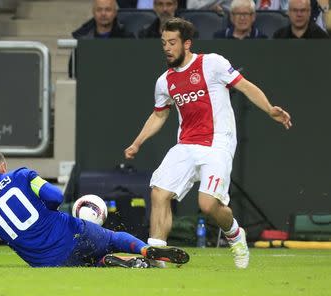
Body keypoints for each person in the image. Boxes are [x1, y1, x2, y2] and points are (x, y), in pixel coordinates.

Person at [124, 17, 292, 269]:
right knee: (159, 192)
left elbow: (245, 86)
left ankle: (235, 234)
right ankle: (157, 254)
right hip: (186, 145)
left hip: (217, 144)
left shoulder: (212, 63)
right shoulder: (164, 81)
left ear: (187, 44)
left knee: (208, 204)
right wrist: (137, 143)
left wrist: (270, 109)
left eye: (172, 42)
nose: (167, 48)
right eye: (163, 43)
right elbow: (159, 114)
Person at [0, 152, 189, 268]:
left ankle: (115, 263)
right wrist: (48, 208)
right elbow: (55, 195)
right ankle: (143, 251)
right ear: (3, 166)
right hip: (72, 230)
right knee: (113, 237)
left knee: (87, 264)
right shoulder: (23, 175)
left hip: (48, 261)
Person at [69, 0, 134, 77]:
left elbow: (132, 70)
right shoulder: (83, 38)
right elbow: (73, 72)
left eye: (108, 10)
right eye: (99, 10)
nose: (103, 14)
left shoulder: (127, 38)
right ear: (93, 12)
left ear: (115, 13)